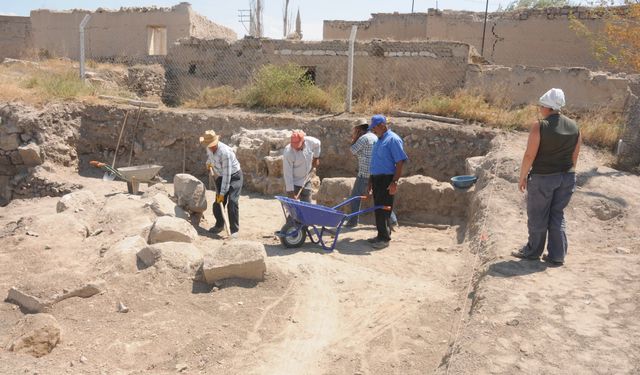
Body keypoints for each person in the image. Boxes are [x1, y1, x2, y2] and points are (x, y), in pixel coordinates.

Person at [511, 88, 581, 266]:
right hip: (567, 177)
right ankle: (557, 255)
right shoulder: (575, 127)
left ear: (547, 107)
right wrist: (566, 174)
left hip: (543, 178)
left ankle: (533, 251)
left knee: (538, 215)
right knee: (557, 214)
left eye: (541, 106)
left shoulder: (540, 126)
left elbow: (529, 155)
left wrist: (522, 177)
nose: (540, 109)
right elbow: (574, 157)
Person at [345, 119, 398, 228]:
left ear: (359, 129)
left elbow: (352, 150)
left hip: (364, 173)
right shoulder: (375, 137)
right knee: (380, 198)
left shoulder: (363, 138)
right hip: (375, 172)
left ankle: (352, 221)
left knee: (355, 196)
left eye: (355, 130)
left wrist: (354, 139)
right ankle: (392, 221)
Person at [367, 115, 408, 249]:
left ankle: (384, 239)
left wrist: (394, 182)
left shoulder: (393, 139)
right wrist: (370, 181)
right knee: (378, 208)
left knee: (384, 209)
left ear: (382, 126)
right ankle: (381, 234)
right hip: (377, 179)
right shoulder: (379, 140)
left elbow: (400, 162)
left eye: (374, 128)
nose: (373, 130)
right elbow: (375, 162)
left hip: (386, 179)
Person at [200, 130, 243, 237]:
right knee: (218, 204)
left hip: (234, 176)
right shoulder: (209, 147)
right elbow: (210, 158)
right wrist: (209, 164)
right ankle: (219, 225)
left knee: (232, 202)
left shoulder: (225, 153)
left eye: (210, 145)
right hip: (221, 175)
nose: (209, 147)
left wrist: (222, 194)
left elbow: (227, 176)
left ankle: (234, 230)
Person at [282, 130, 321, 203]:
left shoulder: (310, 141)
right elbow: (288, 174)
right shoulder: (288, 152)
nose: (296, 149)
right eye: (294, 147)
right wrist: (291, 193)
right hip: (294, 183)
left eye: (298, 147)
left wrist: (316, 157)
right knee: (293, 210)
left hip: (306, 180)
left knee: (307, 207)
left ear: (303, 141)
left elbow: (318, 144)